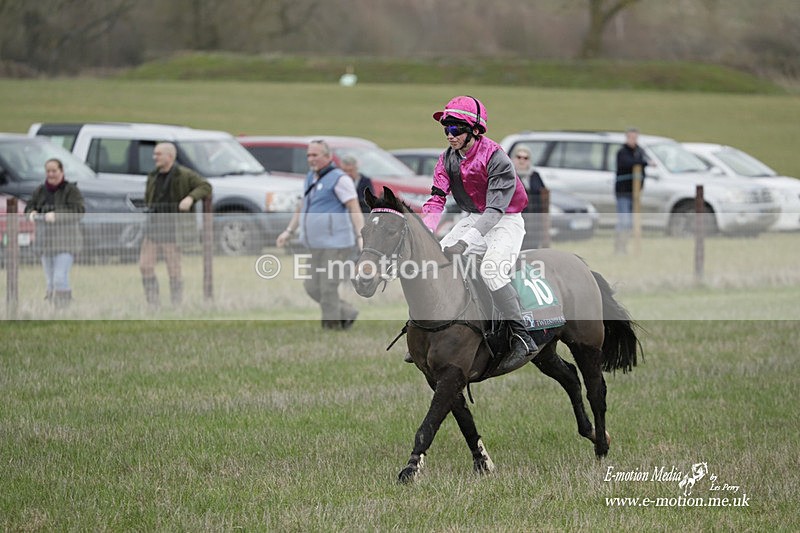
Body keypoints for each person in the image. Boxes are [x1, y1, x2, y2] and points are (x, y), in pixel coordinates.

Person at [422, 95, 538, 374]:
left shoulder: (497, 158)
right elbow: (436, 199)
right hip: (473, 217)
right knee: (437, 264)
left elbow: (496, 210)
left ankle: (522, 335)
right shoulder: (446, 159)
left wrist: (465, 242)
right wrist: (426, 232)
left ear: (475, 130)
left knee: (491, 270)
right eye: (445, 129)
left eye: (455, 129)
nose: (449, 135)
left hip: (505, 219)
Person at [276, 140, 365, 330]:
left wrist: (361, 237)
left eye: (315, 155)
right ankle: (347, 312)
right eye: (308, 155)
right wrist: (289, 231)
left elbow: (354, 208)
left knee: (328, 287)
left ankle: (331, 328)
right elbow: (302, 206)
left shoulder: (341, 179)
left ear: (328, 156)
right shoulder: (310, 177)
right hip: (315, 244)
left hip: (337, 245)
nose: (311, 159)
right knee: (311, 287)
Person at [140, 142, 211, 307]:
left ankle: (176, 305)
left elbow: (205, 186)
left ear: (170, 156)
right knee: (145, 266)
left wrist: (190, 198)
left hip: (173, 230)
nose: (154, 157)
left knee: (174, 269)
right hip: (153, 227)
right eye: (154, 154)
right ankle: (153, 304)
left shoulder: (184, 175)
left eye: (158, 154)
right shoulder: (152, 176)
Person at [25, 158, 85, 309]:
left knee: (59, 277)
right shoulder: (40, 190)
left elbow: (78, 211)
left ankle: (64, 307)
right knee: (50, 280)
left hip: (66, 243)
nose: (51, 174)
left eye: (54, 171)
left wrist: (57, 215)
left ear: (61, 171)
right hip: (45, 243)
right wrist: (31, 213)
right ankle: (52, 309)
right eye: (48, 171)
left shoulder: (71, 190)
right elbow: (29, 206)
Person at [615, 127, 648, 254]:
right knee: (624, 221)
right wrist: (643, 162)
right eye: (630, 137)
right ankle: (620, 247)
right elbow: (628, 163)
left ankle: (628, 247)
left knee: (633, 222)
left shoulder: (639, 151)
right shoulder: (622, 152)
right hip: (623, 192)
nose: (633, 140)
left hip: (635, 193)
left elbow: (643, 165)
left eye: (635, 138)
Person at [512, 146, 546, 248]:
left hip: (534, 222)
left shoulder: (535, 175)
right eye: (519, 157)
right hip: (517, 221)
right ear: (513, 159)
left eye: (525, 158)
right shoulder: (509, 175)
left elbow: (543, 193)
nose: (522, 161)